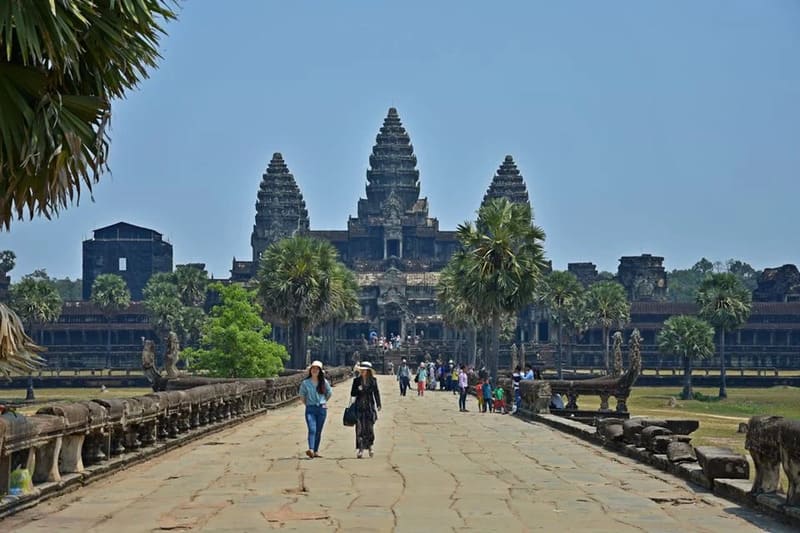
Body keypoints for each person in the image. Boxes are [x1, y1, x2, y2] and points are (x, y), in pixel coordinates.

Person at [298, 360, 332, 459]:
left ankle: (316, 450)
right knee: (312, 429)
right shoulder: (305, 383)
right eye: (313, 368)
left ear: (320, 371)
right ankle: (311, 449)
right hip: (310, 408)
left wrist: (324, 401)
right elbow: (302, 396)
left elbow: (329, 393)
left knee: (318, 430)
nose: (315, 370)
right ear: (310, 370)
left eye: (317, 369)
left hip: (321, 408)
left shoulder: (323, 382)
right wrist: (307, 404)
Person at [350, 361, 382, 458]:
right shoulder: (356, 381)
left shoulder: (373, 380)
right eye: (361, 370)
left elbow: (376, 392)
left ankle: (370, 446)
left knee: (369, 427)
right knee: (359, 428)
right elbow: (352, 393)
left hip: (369, 406)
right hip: (359, 406)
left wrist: (378, 404)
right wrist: (358, 389)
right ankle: (360, 449)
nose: (363, 372)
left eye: (365, 370)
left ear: (368, 371)